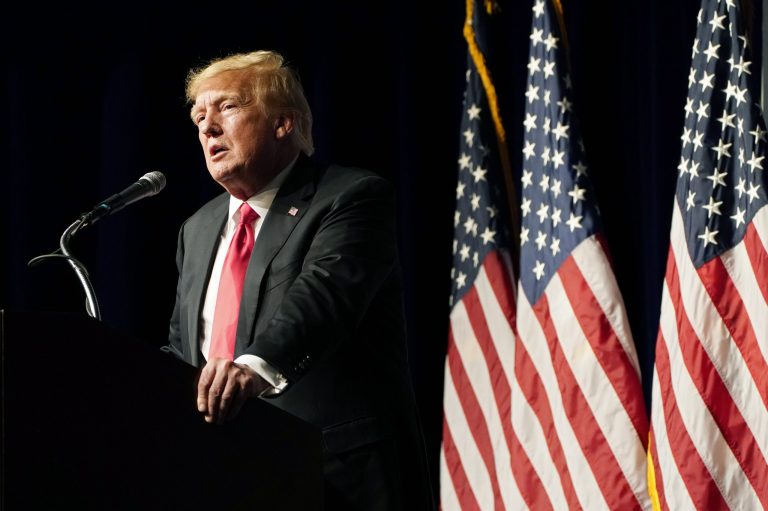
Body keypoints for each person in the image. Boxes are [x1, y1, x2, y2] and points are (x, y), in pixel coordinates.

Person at [164, 50, 434, 509]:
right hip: (227, 475)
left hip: (335, 476)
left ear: (283, 123)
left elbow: (324, 300)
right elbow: (185, 350)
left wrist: (252, 369)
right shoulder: (199, 228)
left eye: (227, 107)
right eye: (199, 117)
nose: (207, 128)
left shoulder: (349, 197)